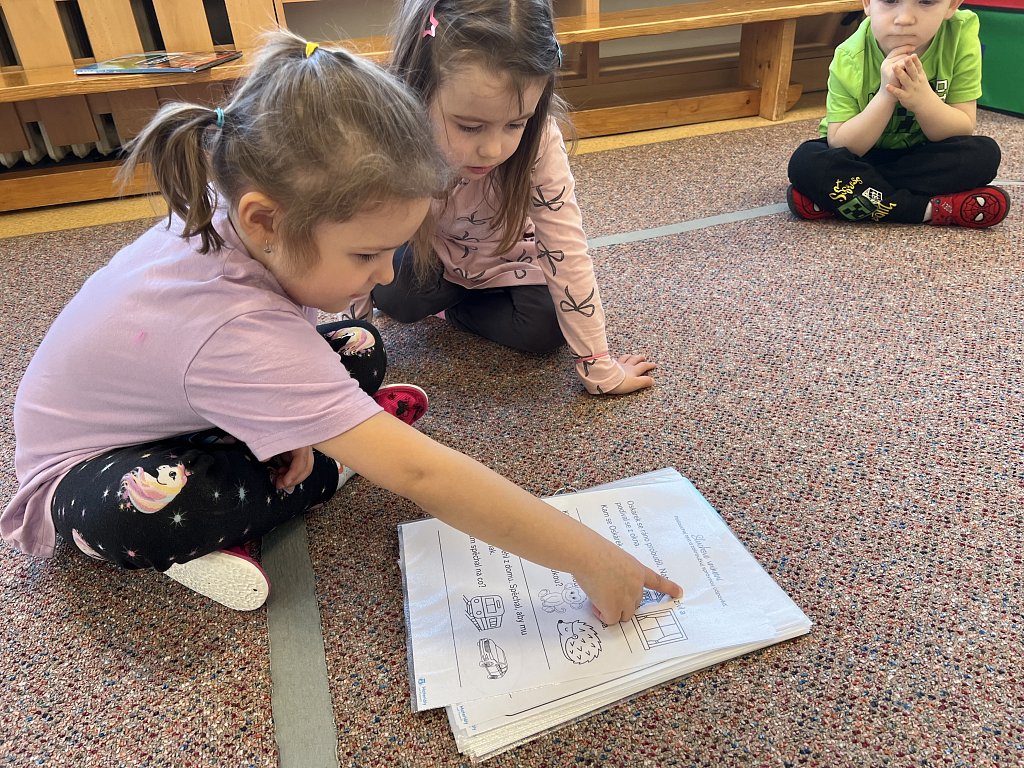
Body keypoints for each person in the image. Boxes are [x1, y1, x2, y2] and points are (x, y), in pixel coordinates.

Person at [0, 32, 680, 622]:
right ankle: (310, 471)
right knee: (156, 507)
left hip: (185, 400)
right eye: (365, 256)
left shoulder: (240, 204)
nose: (385, 276)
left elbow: (253, 343)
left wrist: (287, 423)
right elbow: (422, 473)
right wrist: (590, 557)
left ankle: (318, 436)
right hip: (87, 470)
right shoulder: (232, 323)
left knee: (361, 345)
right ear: (266, 220)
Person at [343, 0, 655, 396]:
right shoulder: (392, 136)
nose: (493, 150)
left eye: (516, 123)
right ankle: (445, 299)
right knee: (394, 295)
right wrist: (354, 354)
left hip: (510, 258)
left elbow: (566, 248)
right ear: (418, 90)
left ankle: (453, 308)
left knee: (546, 329)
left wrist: (600, 368)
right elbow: (360, 240)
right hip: (435, 252)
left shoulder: (540, 141)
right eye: (470, 126)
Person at [786, 0, 1010, 228]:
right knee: (807, 163)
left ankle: (849, 196)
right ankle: (927, 209)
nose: (904, 19)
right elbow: (842, 144)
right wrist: (886, 96)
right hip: (862, 156)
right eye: (890, 0)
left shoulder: (960, 35)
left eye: (926, 2)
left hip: (921, 156)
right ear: (867, 3)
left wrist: (923, 102)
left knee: (984, 155)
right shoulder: (849, 56)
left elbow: (962, 128)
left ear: (952, 5)